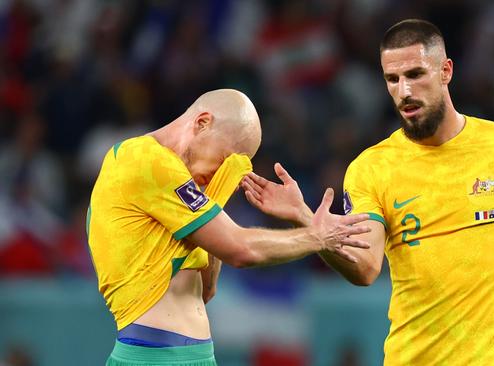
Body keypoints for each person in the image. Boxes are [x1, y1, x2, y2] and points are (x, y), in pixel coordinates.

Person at [241, 19, 494, 365]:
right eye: (392, 79)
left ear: (446, 71)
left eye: (414, 74)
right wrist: (308, 219)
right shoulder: (372, 168)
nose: (403, 91)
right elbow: (365, 269)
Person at [86, 89, 371, 366]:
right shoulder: (143, 160)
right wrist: (316, 236)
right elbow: (241, 250)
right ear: (202, 123)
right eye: (224, 159)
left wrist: (215, 195)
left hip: (194, 355)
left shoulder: (172, 191)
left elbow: (207, 290)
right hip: (155, 356)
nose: (221, 171)